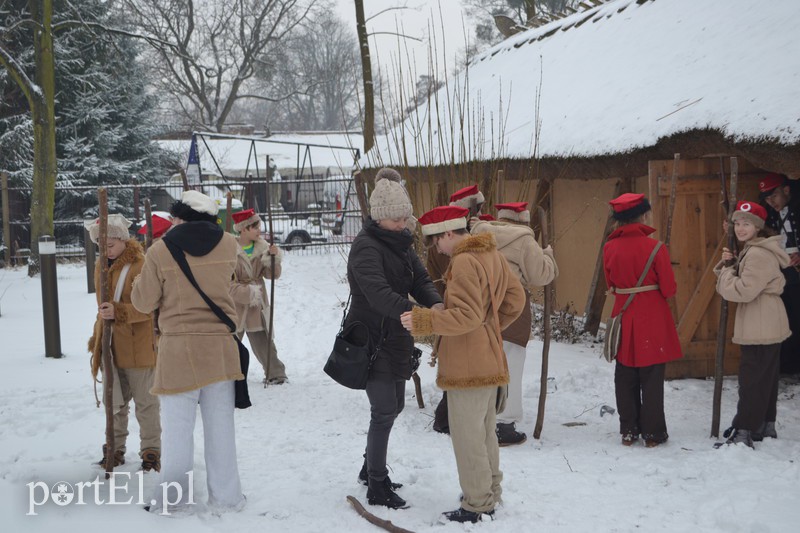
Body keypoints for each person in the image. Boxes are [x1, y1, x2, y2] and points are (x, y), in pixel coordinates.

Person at [401, 205, 525, 523]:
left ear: (448, 233)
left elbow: (467, 315)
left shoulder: (465, 261)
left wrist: (423, 319)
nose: (435, 249)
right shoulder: (491, 253)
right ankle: (489, 491)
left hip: (468, 365)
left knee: (469, 437)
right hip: (488, 358)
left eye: (435, 241)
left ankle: (477, 504)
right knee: (484, 433)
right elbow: (516, 300)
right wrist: (489, 327)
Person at [132, 190, 245, 515]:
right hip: (220, 350)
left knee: (178, 433)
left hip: (179, 351)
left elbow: (142, 302)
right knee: (221, 429)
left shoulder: (160, 249)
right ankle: (227, 498)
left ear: (180, 217)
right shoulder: (229, 244)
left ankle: (172, 500)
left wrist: (144, 277)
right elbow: (236, 280)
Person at [347, 167, 442, 510]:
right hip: (372, 340)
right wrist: (422, 316)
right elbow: (379, 295)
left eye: (406, 217)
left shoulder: (401, 243)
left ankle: (367, 466)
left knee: (395, 406)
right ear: (380, 217)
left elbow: (420, 279)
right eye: (397, 219)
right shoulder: (365, 247)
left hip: (397, 335)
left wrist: (437, 304)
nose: (404, 223)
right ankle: (376, 484)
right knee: (384, 410)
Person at [470, 201, 558, 446]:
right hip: (513, 304)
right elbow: (540, 275)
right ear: (523, 220)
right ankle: (503, 424)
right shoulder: (524, 240)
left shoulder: (479, 233)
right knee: (511, 363)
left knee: (484, 361)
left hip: (482, 304)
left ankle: (481, 418)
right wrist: (547, 256)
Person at [603, 193, 682, 447]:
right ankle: (653, 434)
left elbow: (611, 284)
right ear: (644, 215)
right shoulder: (656, 247)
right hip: (652, 317)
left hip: (624, 314)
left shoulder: (609, 247)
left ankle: (628, 430)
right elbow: (669, 290)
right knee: (651, 377)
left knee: (624, 375)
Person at [86, 214, 160, 472]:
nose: (104, 250)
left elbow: (151, 307)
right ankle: (113, 448)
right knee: (114, 403)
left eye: (110, 244)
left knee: (146, 405)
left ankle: (151, 451)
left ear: (123, 240)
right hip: (110, 348)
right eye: (100, 245)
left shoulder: (142, 265)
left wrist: (120, 312)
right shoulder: (100, 266)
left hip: (139, 348)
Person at [715, 201, 790, 448]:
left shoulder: (757, 253)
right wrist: (732, 264)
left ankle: (744, 430)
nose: (740, 228)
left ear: (758, 227)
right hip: (766, 319)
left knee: (752, 379)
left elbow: (745, 290)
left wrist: (727, 272)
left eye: (746, 224)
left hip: (760, 321)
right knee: (764, 377)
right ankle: (763, 425)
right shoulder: (756, 249)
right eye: (737, 223)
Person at [427, 184, 485, 434]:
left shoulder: (474, 240)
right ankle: (447, 419)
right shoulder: (462, 245)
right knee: (457, 366)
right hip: (453, 308)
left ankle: (454, 417)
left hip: (457, 308)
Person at [229, 208, 287, 385]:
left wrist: (273, 259)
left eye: (259, 226)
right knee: (229, 342)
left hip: (257, 304)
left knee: (263, 339)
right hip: (236, 303)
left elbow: (272, 275)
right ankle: (223, 375)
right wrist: (245, 292)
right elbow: (227, 279)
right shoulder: (230, 250)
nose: (258, 230)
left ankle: (275, 372)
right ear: (243, 228)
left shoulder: (262, 248)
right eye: (254, 227)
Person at [758, 173, 800, 374]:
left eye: (773, 196)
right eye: (766, 198)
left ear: (786, 190)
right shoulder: (770, 212)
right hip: (784, 272)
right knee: (788, 318)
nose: (770, 202)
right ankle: (789, 365)